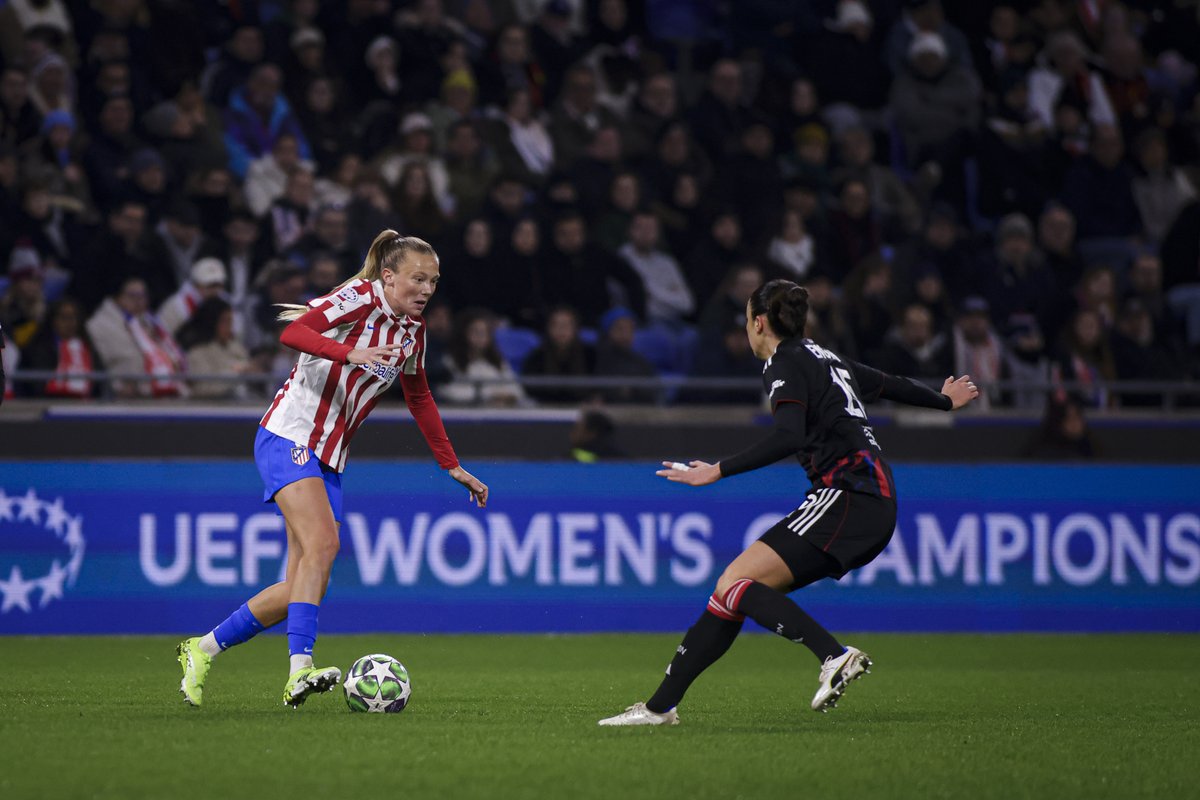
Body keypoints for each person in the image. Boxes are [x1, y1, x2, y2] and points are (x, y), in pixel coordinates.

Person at [598, 279, 978, 726]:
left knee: (736, 582)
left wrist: (717, 470)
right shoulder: (825, 357)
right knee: (731, 589)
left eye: (747, 319)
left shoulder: (785, 362)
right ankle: (659, 708)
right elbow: (888, 384)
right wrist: (943, 401)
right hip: (868, 498)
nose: (746, 328)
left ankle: (834, 655)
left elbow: (788, 435)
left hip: (848, 494)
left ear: (759, 323)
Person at [175, 231, 489, 709]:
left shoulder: (412, 332)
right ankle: (299, 671)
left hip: (330, 456)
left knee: (304, 584)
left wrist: (452, 464)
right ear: (389, 276)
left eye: (433, 281)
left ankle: (201, 649)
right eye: (418, 279)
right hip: (290, 434)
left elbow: (419, 396)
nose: (426, 289)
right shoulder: (359, 298)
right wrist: (351, 353)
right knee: (323, 546)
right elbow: (293, 333)